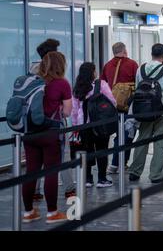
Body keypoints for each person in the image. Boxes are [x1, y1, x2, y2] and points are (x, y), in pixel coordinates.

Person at [22, 51, 72, 224]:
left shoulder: (33, 82)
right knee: (51, 172)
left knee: (31, 172)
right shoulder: (62, 83)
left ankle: (28, 212)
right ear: (61, 65)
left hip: (29, 133)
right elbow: (67, 111)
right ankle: (52, 213)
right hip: (50, 133)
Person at [28, 39, 76, 200]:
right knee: (61, 159)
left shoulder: (31, 75)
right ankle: (69, 189)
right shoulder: (59, 80)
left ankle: (34, 193)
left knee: (34, 164)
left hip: (32, 127)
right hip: (53, 127)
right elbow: (67, 111)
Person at [128, 43, 163, 183]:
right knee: (160, 142)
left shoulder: (140, 69)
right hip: (162, 112)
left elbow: (137, 88)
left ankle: (135, 171)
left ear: (151, 53)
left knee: (142, 139)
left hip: (143, 111)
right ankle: (155, 175)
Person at [72, 62, 116, 187]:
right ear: (92, 72)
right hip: (100, 123)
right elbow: (112, 101)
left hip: (83, 125)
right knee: (102, 150)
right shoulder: (101, 84)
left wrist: (75, 127)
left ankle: (88, 179)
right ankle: (102, 179)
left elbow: (74, 110)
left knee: (86, 151)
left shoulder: (77, 88)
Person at [101, 42, 138, 174]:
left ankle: (117, 163)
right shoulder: (132, 64)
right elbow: (138, 82)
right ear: (124, 50)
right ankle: (118, 163)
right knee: (127, 134)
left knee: (118, 134)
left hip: (112, 106)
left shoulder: (107, 66)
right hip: (128, 105)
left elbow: (103, 84)